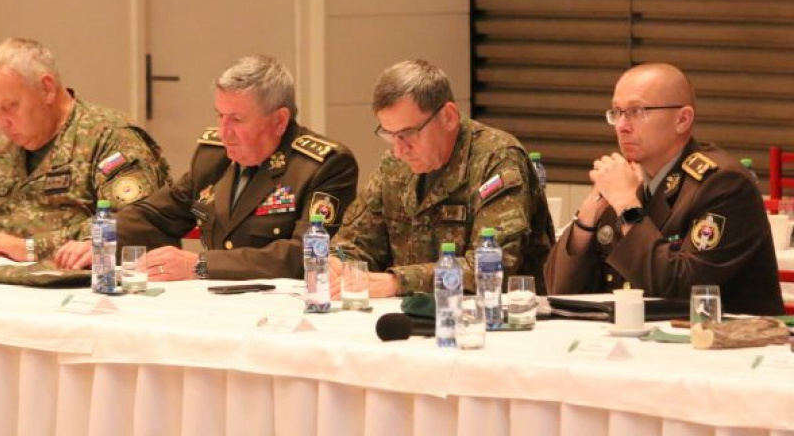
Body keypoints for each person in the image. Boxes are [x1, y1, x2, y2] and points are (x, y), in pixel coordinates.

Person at [56, 55, 359, 280]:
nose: (225, 132)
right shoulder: (214, 156)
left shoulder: (323, 165)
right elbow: (159, 213)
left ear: (279, 120)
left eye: (237, 119)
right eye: (220, 116)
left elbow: (304, 254)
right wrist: (102, 239)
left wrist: (200, 265)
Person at [544, 63, 784, 315]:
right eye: (617, 112)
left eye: (637, 111)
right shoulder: (627, 180)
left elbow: (681, 290)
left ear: (682, 119)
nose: (621, 125)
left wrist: (627, 205)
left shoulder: (724, 184)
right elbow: (559, 291)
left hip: (719, 335)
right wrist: (587, 217)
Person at [0, 37, 170, 261]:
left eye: (10, 106)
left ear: (47, 89)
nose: (0, 123)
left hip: (75, 286)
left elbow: (135, 226)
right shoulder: (4, 151)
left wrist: (32, 248)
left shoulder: (112, 139)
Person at [330, 59, 554, 298]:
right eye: (389, 135)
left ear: (448, 117)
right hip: (410, 313)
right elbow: (353, 244)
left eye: (408, 134)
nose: (399, 150)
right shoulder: (395, 165)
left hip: (498, 314)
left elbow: (490, 267)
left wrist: (398, 282)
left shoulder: (497, 160)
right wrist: (338, 264)